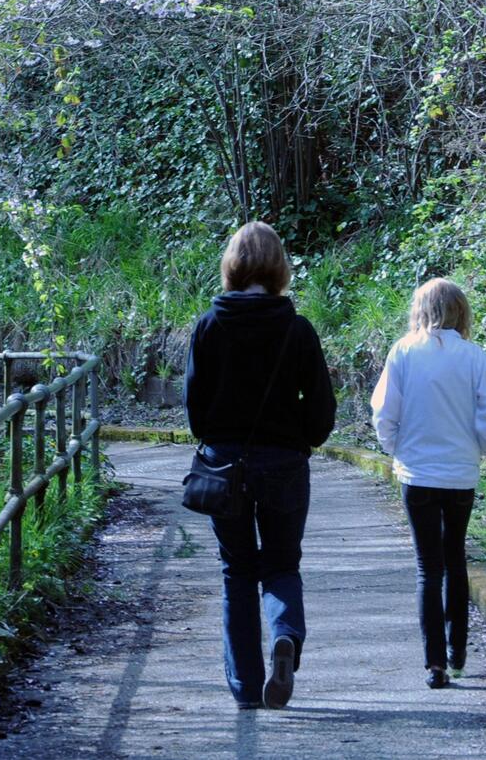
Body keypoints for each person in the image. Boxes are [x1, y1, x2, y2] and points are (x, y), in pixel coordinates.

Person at [184, 221, 336, 710]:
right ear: (278, 268)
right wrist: (302, 440)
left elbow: (195, 408)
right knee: (282, 563)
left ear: (232, 265)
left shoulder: (208, 325)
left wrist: (217, 439)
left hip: (225, 466)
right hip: (285, 463)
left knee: (237, 571)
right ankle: (285, 635)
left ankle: (247, 689)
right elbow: (320, 409)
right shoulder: (297, 328)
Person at [368, 277, 486, 689]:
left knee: (428, 567)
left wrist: (396, 447)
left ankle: (435, 664)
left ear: (421, 311)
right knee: (455, 558)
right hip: (460, 472)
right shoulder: (474, 357)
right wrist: (482, 449)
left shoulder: (404, 352)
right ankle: (458, 651)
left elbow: (384, 411)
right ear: (461, 312)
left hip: (417, 472)